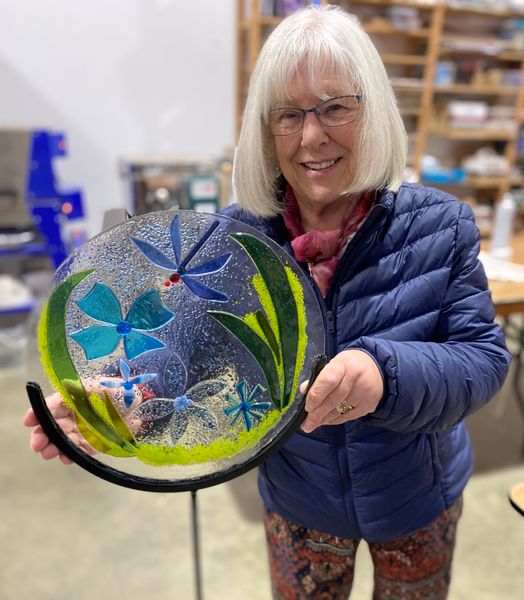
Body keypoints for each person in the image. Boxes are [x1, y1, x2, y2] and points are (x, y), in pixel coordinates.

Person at [24, 6, 511, 599]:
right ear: (265, 128)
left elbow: (483, 360)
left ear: (375, 110)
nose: (311, 136)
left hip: (416, 496)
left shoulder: (441, 226)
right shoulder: (230, 242)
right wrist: (118, 404)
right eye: (288, 115)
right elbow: (181, 354)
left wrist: (385, 373)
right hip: (299, 501)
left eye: (336, 106)